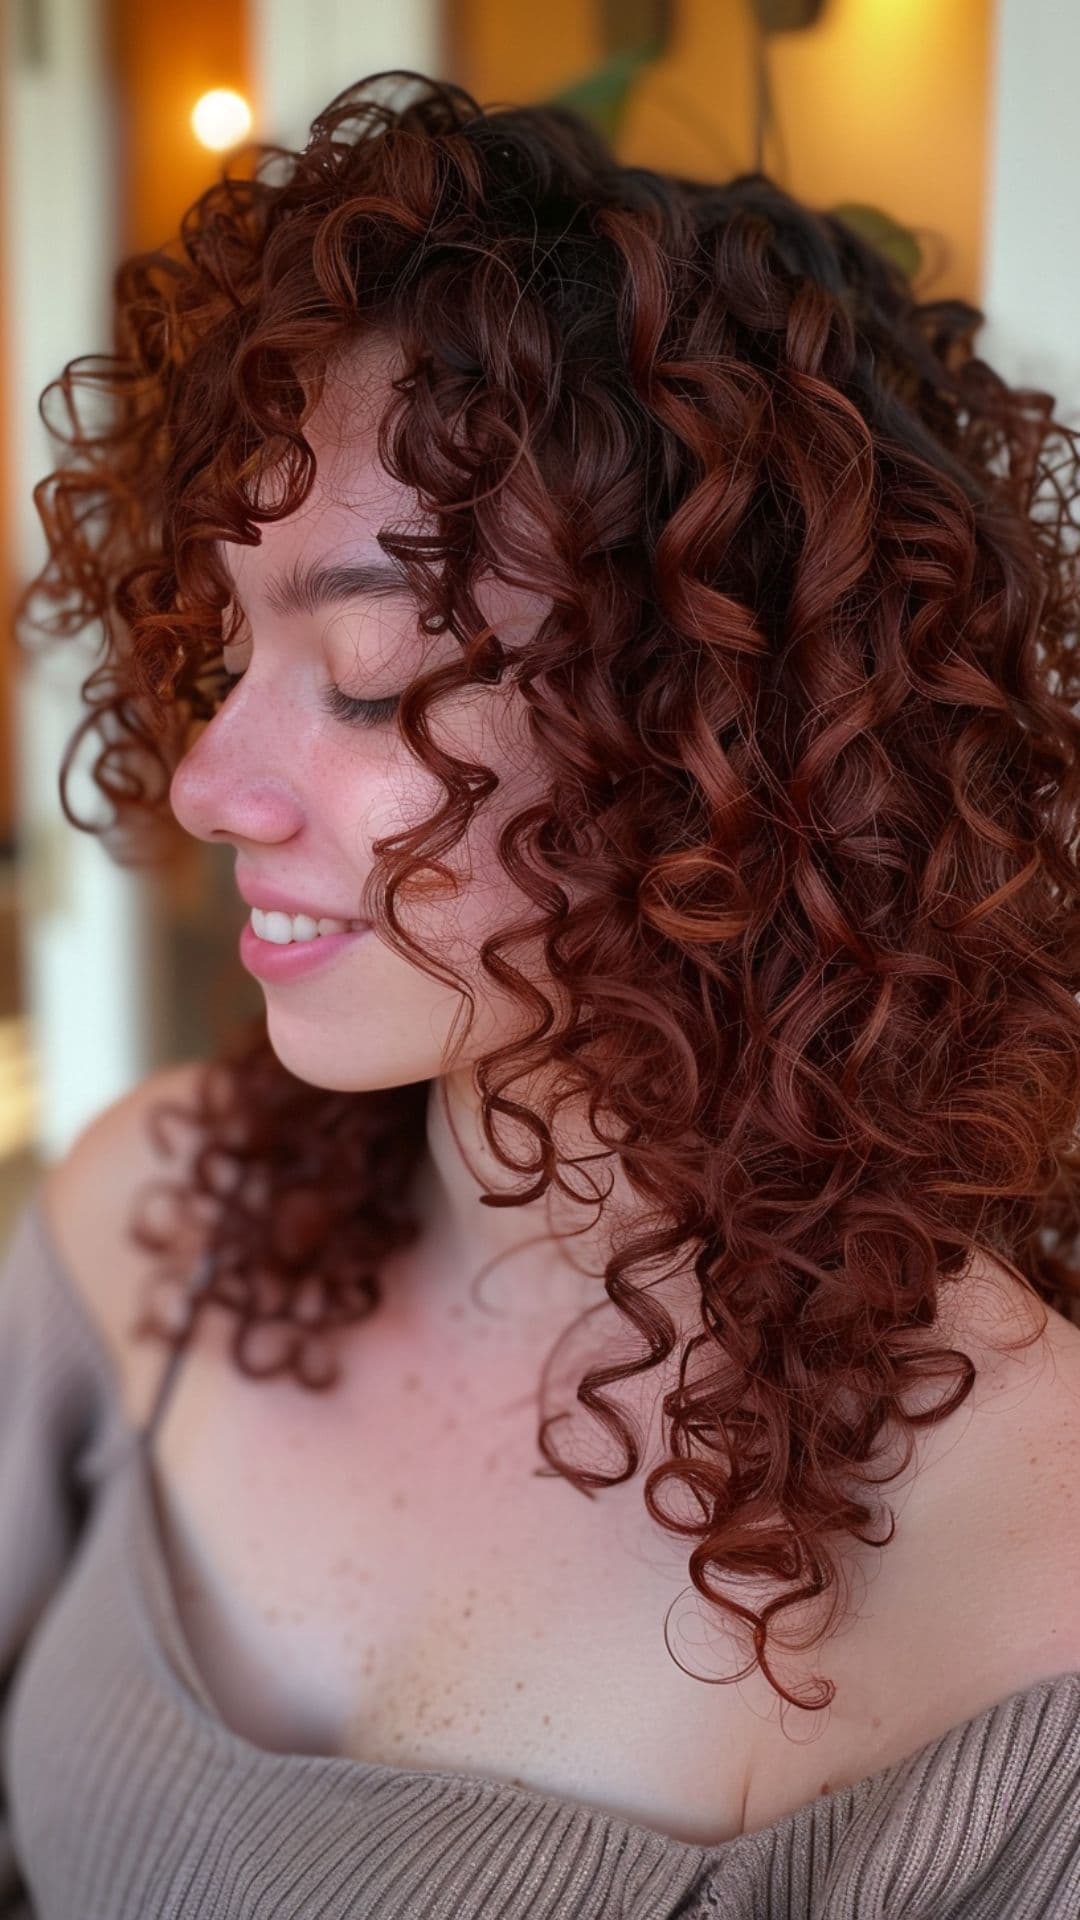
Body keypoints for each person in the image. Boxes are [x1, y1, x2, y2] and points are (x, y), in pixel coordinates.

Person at [2, 69, 1079, 1919]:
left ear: (722, 743)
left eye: (366, 677)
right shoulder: (152, 1224)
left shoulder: (1025, 1566)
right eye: (223, 641)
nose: (203, 784)